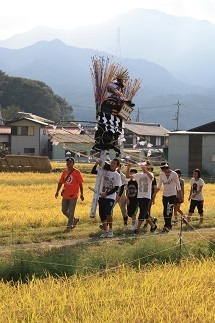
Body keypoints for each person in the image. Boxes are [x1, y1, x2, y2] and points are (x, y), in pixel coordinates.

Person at [91, 158, 122, 238]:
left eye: (114, 163)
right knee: (102, 214)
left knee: (108, 213)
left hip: (110, 197)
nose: (112, 164)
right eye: (111, 163)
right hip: (101, 196)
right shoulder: (104, 172)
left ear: (117, 166)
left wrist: (107, 194)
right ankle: (105, 231)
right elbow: (93, 172)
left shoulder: (117, 175)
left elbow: (116, 188)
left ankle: (111, 230)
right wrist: (96, 164)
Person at [126, 162, 157, 234]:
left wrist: (145, 170)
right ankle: (153, 226)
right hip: (139, 196)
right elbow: (128, 176)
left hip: (147, 196)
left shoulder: (150, 174)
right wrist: (128, 168)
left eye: (145, 166)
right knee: (145, 214)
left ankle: (137, 229)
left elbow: (151, 178)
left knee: (142, 213)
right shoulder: (139, 175)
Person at [55, 157, 84, 230]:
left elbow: (80, 183)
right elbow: (61, 182)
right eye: (67, 162)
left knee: (71, 211)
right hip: (65, 194)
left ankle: (69, 226)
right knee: (64, 210)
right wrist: (57, 191)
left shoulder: (77, 172)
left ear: (73, 163)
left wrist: (82, 194)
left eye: (70, 162)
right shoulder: (65, 172)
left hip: (74, 195)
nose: (68, 163)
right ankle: (74, 219)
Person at [153, 162, 181, 232]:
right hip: (165, 194)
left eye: (165, 168)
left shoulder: (174, 174)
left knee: (169, 209)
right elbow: (159, 185)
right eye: (163, 169)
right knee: (165, 210)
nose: (165, 170)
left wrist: (179, 194)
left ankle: (168, 225)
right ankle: (166, 224)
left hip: (172, 194)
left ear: (168, 168)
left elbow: (178, 185)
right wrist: (155, 193)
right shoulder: (161, 174)